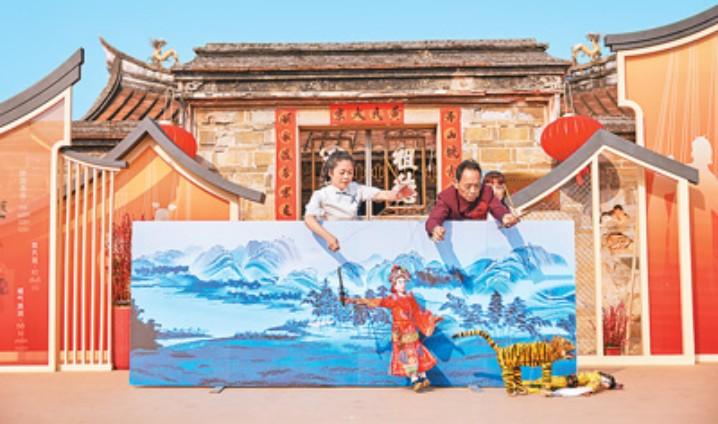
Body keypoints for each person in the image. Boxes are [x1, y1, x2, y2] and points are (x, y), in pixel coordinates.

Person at [346, 265, 442, 392]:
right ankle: (414, 379)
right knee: (407, 355)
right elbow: (377, 302)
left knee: (418, 352)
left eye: (403, 282)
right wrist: (355, 300)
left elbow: (418, 313)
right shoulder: (393, 299)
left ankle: (423, 376)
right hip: (401, 332)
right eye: (399, 282)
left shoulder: (410, 298)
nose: (402, 285)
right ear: (394, 285)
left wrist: (430, 319)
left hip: (411, 330)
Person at [304, 150, 413, 252]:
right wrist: (328, 237)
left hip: (353, 240)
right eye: (342, 173)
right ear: (331, 173)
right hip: (330, 242)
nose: (346, 177)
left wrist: (398, 195)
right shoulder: (321, 194)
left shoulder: (356, 189)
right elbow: (308, 219)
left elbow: (380, 194)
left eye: (350, 173)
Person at [425, 160, 519, 242]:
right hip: (454, 241)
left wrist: (505, 216)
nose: (473, 191)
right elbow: (434, 219)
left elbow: (497, 207)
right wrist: (435, 229)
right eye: (468, 186)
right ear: (456, 183)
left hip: (479, 241)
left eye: (477, 186)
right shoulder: (447, 197)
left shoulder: (486, 192)